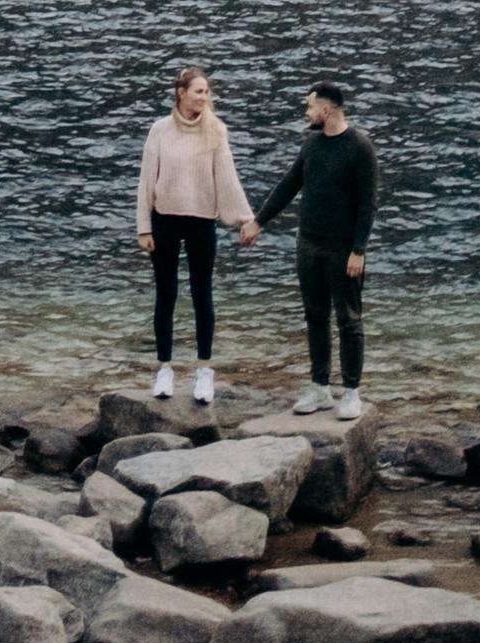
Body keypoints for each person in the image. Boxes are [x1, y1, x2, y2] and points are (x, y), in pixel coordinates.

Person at [244, 79, 377, 417]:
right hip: (309, 246)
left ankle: (351, 392)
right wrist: (258, 221)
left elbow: (367, 205)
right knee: (315, 317)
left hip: (343, 250)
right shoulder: (312, 146)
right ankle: (320, 387)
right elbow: (288, 185)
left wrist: (358, 250)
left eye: (310, 106)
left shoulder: (360, 147)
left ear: (326, 109)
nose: (306, 111)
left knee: (348, 320)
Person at [135, 63, 254, 404]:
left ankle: (204, 369)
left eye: (207, 92)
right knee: (166, 294)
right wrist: (144, 226)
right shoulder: (159, 130)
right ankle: (164, 369)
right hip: (164, 220)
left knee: (202, 293)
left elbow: (227, 178)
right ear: (181, 93)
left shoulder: (215, 130)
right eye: (199, 91)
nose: (205, 97)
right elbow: (146, 180)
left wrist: (246, 219)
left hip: (202, 220)